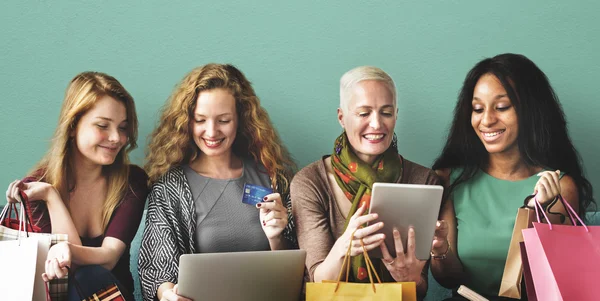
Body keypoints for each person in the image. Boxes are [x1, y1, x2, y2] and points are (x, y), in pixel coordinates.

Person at [430, 53, 595, 300]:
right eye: (477, 109)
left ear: (530, 110)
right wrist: (441, 251)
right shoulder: (451, 179)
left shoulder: (559, 185)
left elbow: (543, 285)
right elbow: (449, 279)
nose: (486, 120)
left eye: (502, 107)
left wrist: (536, 212)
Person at [138, 63, 297, 301]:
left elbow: (298, 274)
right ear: (187, 122)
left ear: (240, 120)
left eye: (223, 120)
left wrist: (276, 238)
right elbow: (158, 270)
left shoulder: (272, 177)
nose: (211, 132)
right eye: (200, 120)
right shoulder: (170, 188)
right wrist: (167, 295)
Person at [291, 66, 440, 299]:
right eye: (364, 113)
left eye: (386, 113)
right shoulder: (311, 182)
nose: (377, 124)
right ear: (342, 117)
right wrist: (345, 246)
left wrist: (410, 277)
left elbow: (419, 291)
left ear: (396, 115)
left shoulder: (424, 181)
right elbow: (316, 283)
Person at [5, 71, 148, 300]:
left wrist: (69, 250)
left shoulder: (132, 181)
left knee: (91, 275)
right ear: (72, 126)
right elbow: (67, 274)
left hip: (114, 295)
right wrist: (51, 196)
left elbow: (109, 257)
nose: (116, 138)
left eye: (122, 127)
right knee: (81, 278)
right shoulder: (38, 187)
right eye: (103, 125)